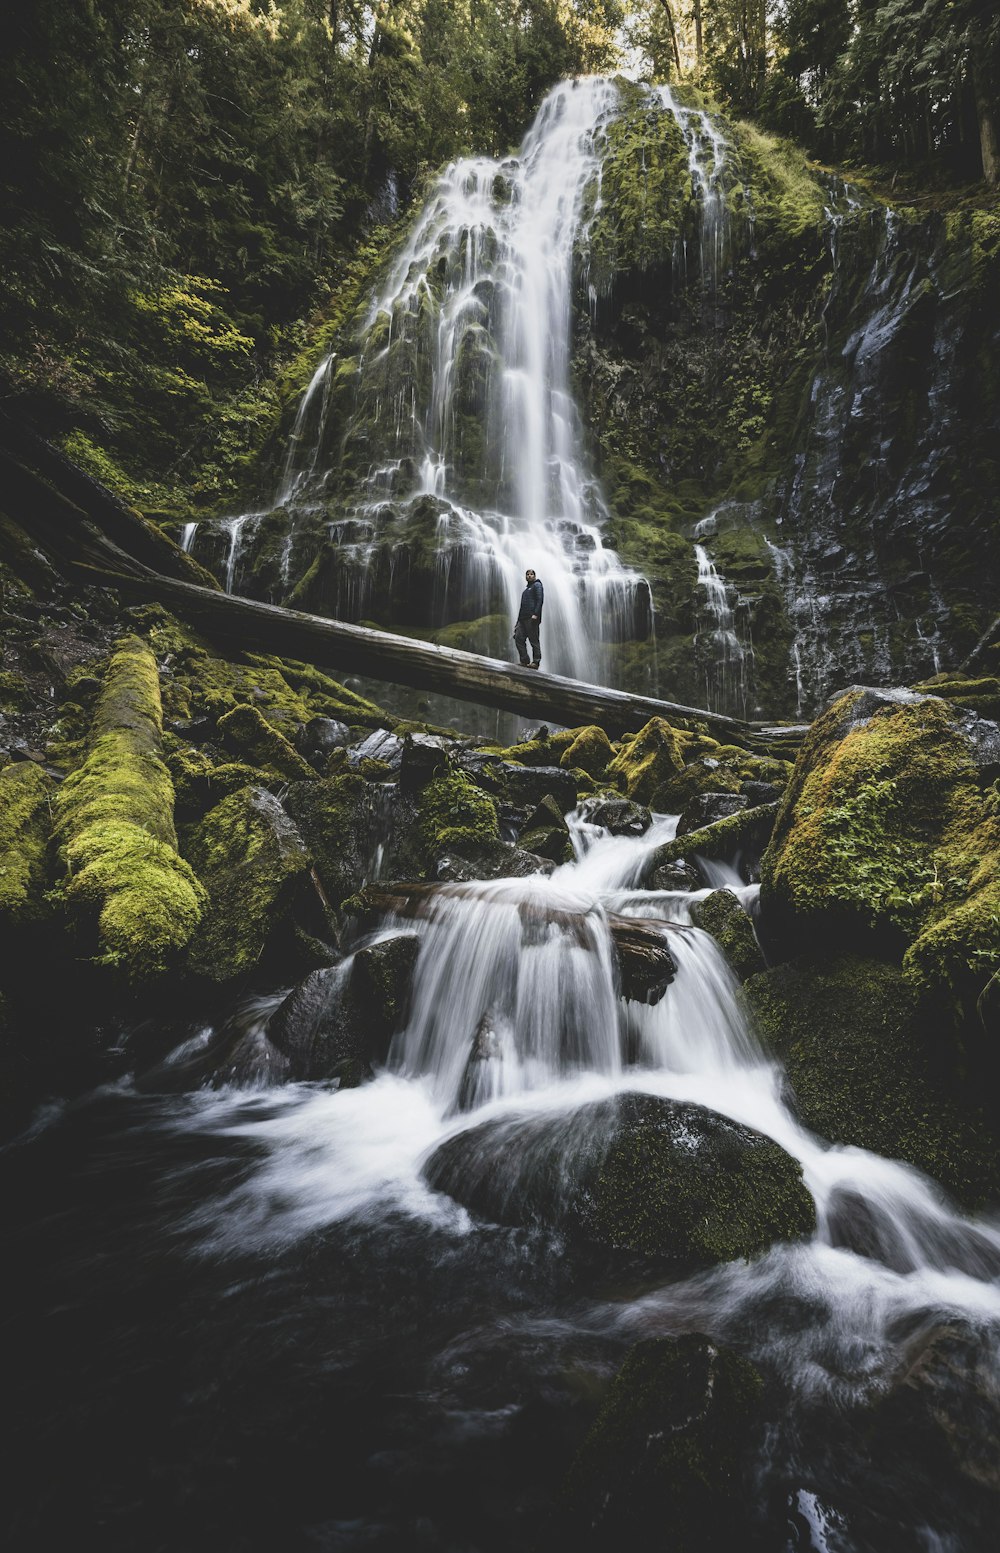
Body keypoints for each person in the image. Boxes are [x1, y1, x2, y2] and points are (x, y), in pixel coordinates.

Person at [513, 568, 544, 668]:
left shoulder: (537, 585)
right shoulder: (525, 591)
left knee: (534, 640)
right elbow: (522, 607)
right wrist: (517, 622)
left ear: (534, 576)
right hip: (522, 619)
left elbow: (540, 600)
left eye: (531, 574)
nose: (529, 576)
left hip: (532, 617)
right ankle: (524, 660)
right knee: (518, 638)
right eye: (527, 574)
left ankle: (536, 662)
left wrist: (536, 614)